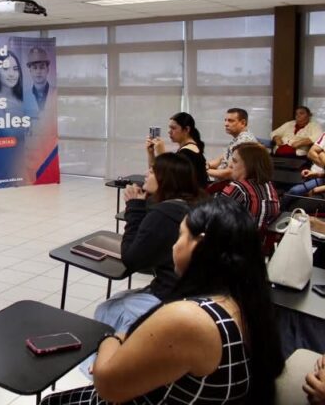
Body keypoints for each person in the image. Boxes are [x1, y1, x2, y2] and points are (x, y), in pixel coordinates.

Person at [41, 199, 284, 405]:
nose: (173, 246)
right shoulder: (246, 302)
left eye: (180, 236)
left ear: (198, 244)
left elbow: (106, 385)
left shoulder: (190, 319)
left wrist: (111, 339)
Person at [95, 153, 203, 333]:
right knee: (121, 298)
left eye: (152, 172)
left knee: (107, 310)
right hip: (194, 293)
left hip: (172, 296)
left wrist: (134, 208)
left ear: (165, 179)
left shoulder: (163, 215)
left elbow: (131, 259)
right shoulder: (194, 204)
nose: (146, 173)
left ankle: (120, 351)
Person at [218, 142, 280, 231]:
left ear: (249, 165)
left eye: (235, 161)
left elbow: (216, 221)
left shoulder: (237, 188)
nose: (230, 165)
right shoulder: (268, 186)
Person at [0, 51, 27, 184]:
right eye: (5, 69)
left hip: (24, 165)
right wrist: (32, 126)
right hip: (5, 169)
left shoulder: (23, 99)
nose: (11, 74)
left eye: (15, 69)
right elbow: (10, 134)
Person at [146, 112, 208, 188]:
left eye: (173, 128)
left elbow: (168, 178)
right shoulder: (186, 149)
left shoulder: (188, 152)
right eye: (169, 128)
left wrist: (161, 154)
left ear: (186, 129)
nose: (169, 131)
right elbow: (154, 172)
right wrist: (151, 153)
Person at [206, 107, 257, 181]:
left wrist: (204, 171)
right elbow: (222, 159)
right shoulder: (238, 138)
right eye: (225, 120)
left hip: (231, 185)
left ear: (243, 123)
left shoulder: (245, 142)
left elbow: (231, 173)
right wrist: (207, 165)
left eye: (231, 121)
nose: (226, 124)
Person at [281, 131, 325, 209]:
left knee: (297, 197)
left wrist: (316, 189)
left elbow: (320, 154)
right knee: (293, 191)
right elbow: (312, 153)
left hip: (322, 182)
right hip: (320, 176)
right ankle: (278, 211)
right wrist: (316, 174)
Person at [24, 46, 54, 114]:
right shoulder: (25, 97)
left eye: (42, 67)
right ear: (30, 71)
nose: (38, 71)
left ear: (47, 70)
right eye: (34, 68)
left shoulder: (55, 93)